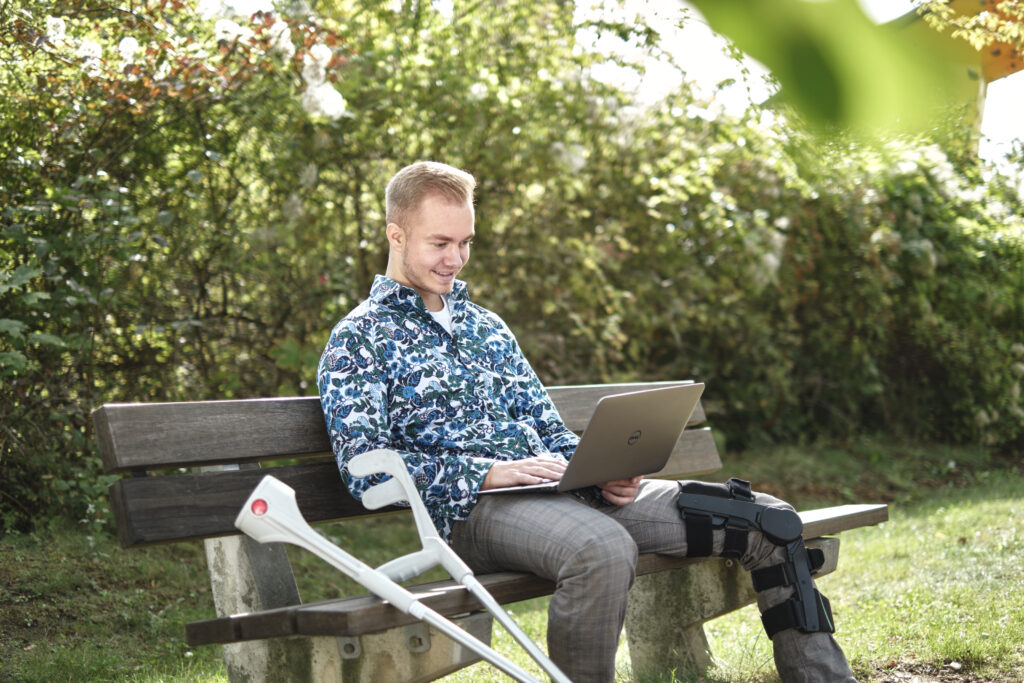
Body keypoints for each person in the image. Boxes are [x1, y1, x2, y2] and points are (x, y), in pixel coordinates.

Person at [317, 161, 856, 683]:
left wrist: (599, 468)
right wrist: (486, 474)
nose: (456, 258)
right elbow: (366, 472)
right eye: (440, 243)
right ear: (395, 234)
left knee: (769, 519)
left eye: (466, 243)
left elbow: (548, 428)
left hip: (567, 493)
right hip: (472, 514)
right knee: (601, 549)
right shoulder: (358, 339)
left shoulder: (487, 328)